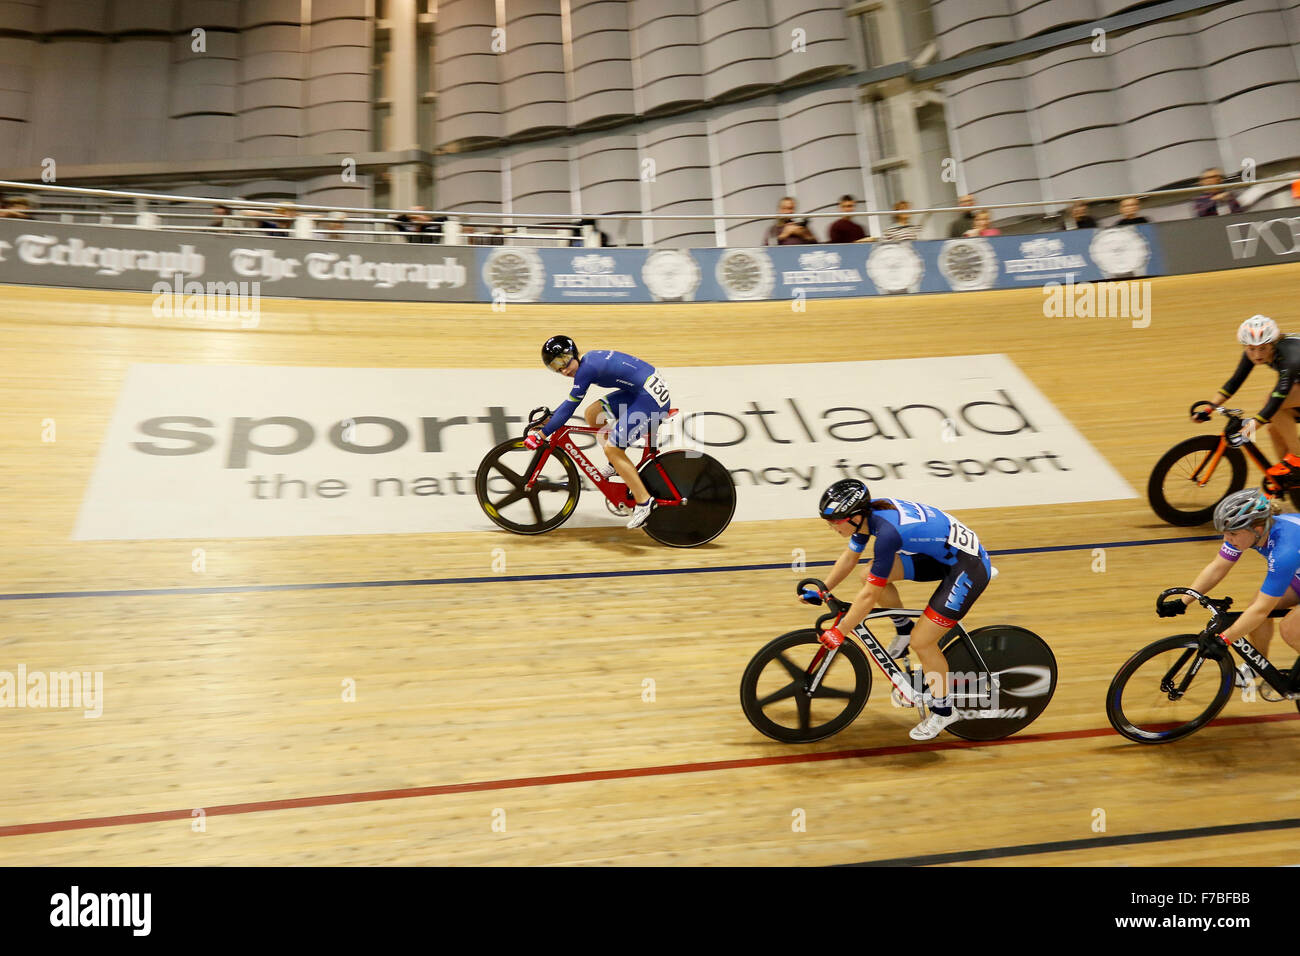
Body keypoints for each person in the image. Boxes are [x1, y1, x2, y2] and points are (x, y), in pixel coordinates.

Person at [803, 479, 995, 740]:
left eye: (835, 522)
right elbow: (850, 558)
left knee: (923, 642)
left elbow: (870, 595)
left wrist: (841, 631)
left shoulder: (886, 533)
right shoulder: (867, 517)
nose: (831, 527)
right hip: (942, 555)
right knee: (868, 574)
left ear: (855, 517)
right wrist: (823, 589)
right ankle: (903, 628)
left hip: (968, 567)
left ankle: (943, 710)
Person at [1159, 489, 1300, 688]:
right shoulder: (1251, 532)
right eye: (1225, 533)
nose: (1227, 539)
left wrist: (1224, 640)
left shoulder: (1284, 550)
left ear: (1257, 529)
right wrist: (1184, 600)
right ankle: (1257, 665)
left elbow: (1262, 610)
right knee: (1253, 611)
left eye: (1232, 534)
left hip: (1294, 565)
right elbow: (1218, 568)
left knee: (1291, 628)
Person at [527, 336, 672, 530]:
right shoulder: (589, 360)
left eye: (564, 361)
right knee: (593, 413)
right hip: (641, 389)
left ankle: (644, 502)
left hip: (649, 399)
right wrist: (553, 420)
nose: (563, 370)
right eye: (556, 367)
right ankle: (616, 462)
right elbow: (569, 406)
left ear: (573, 353)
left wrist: (542, 434)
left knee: (612, 447)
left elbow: (569, 407)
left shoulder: (586, 370)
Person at [1197, 316, 1300, 460]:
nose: (1257, 355)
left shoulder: (1290, 358)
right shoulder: (1253, 352)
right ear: (1246, 346)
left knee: (1270, 403)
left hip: (1293, 380)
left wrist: (1246, 432)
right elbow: (1234, 382)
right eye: (1252, 349)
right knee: (1275, 429)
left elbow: (1276, 400)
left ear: (1272, 344)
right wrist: (1209, 408)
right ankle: (1291, 480)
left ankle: (1297, 457)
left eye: (1262, 348)